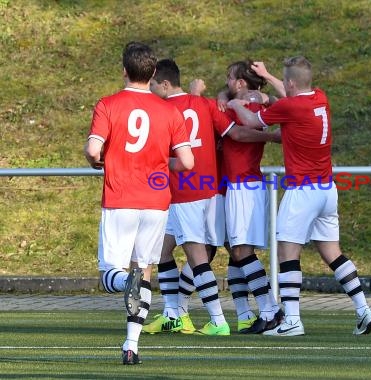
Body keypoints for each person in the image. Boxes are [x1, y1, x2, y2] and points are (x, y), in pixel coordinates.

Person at [227, 56, 371, 337]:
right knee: (332, 252)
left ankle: (293, 320)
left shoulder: (290, 106)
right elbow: (287, 100)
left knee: (287, 252)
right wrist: (269, 78)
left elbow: (251, 119)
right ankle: (363, 308)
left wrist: (235, 103)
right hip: (326, 190)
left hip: (302, 191)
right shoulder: (320, 98)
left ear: (291, 83)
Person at [144, 59, 280, 335]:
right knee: (170, 250)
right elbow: (231, 128)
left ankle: (231, 318)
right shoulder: (208, 104)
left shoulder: (165, 109)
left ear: (166, 84)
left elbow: (241, 132)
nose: (149, 89)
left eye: (153, 84)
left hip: (200, 189)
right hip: (217, 189)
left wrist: (274, 134)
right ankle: (181, 312)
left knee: (217, 253)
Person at [84, 42, 194, 365]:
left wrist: (97, 160)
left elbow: (93, 150)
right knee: (144, 270)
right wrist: (163, 164)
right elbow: (186, 162)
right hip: (157, 201)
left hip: (121, 198)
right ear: (153, 74)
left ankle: (123, 281)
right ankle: (131, 346)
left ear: (124, 71)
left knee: (111, 274)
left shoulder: (108, 105)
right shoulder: (169, 111)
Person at [213, 59, 284, 334]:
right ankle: (249, 313)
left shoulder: (243, 108)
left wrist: (229, 100)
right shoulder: (252, 104)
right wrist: (224, 95)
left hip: (244, 186)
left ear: (240, 83)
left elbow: (241, 135)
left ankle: (270, 309)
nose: (227, 84)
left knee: (242, 251)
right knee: (235, 249)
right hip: (240, 185)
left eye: (230, 79)